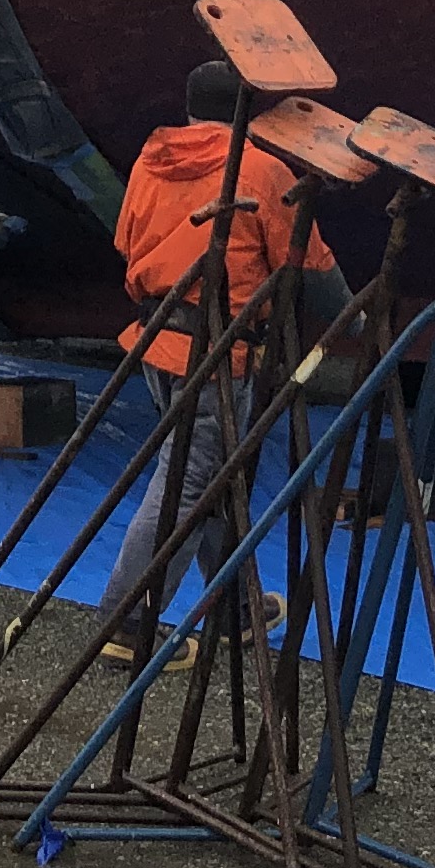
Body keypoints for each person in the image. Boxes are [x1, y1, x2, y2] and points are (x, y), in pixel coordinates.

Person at [98, 60, 338, 657]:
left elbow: (127, 243)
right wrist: (355, 317)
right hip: (216, 352)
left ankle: (234, 610)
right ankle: (125, 622)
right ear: (249, 113)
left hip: (156, 340)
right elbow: (307, 261)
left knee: (209, 477)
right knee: (190, 484)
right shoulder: (257, 168)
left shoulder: (150, 162)